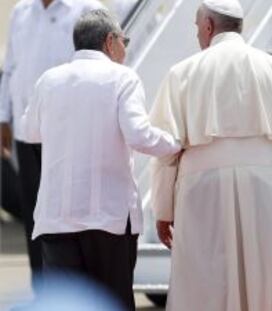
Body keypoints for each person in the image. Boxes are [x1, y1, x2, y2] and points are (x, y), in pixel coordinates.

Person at [149, 0, 272, 310]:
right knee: (260, 277)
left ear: (209, 27)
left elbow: (167, 153)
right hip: (264, 187)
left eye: (197, 27)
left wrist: (162, 210)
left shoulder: (182, 72)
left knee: (203, 282)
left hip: (202, 189)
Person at [22, 10, 181, 310]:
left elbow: (30, 132)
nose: (125, 48)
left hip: (56, 218)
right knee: (112, 303)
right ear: (110, 42)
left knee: (65, 305)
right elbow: (139, 135)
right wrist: (176, 144)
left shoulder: (49, 80)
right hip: (108, 219)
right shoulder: (123, 78)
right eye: (125, 41)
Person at [0, 0, 104, 287]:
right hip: (26, 130)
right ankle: (42, 289)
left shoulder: (86, 9)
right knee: (35, 214)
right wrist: (3, 117)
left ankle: (75, 289)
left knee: (70, 214)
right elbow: (10, 68)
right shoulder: (21, 12)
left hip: (69, 134)